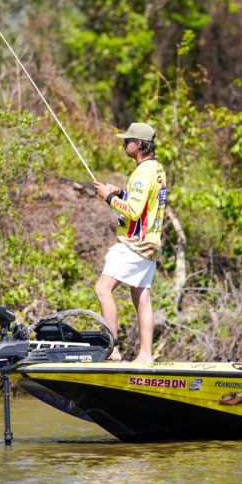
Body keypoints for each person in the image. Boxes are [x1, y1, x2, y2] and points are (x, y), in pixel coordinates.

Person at [93, 121, 168, 362]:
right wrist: (120, 193)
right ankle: (145, 355)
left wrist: (108, 198)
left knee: (102, 289)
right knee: (141, 297)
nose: (124, 144)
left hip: (134, 244)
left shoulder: (141, 173)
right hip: (151, 244)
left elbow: (134, 213)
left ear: (139, 144)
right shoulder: (157, 169)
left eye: (127, 141)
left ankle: (112, 350)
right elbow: (145, 203)